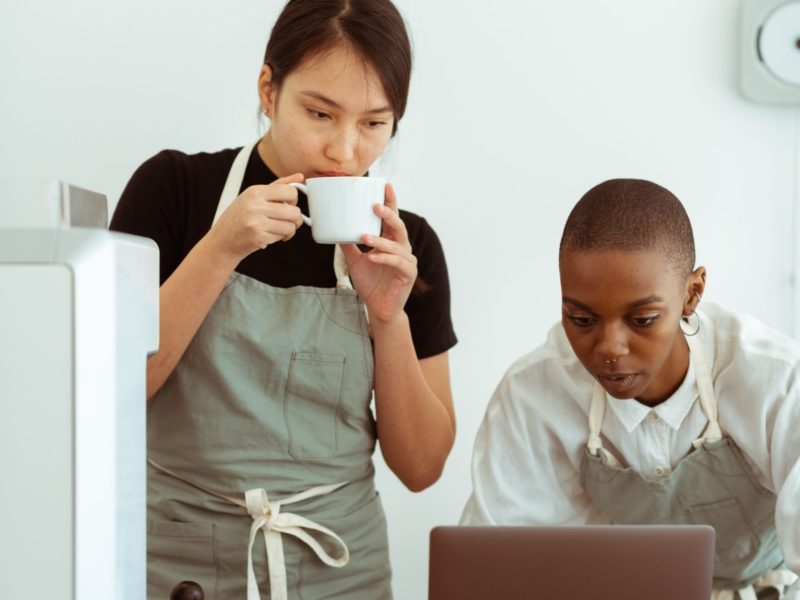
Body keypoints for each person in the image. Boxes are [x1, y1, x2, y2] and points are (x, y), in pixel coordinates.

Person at [110, 1, 457, 598]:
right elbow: (112, 389)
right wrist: (218, 251)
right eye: (320, 113)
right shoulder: (173, 192)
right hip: (177, 566)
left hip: (342, 571)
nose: (344, 152)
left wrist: (387, 315)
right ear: (269, 90)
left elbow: (421, 468)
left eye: (374, 124)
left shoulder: (409, 244)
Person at [460, 179, 800, 600]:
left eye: (642, 320)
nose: (609, 349)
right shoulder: (534, 393)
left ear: (692, 293)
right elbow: (498, 565)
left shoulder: (777, 379)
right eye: (582, 320)